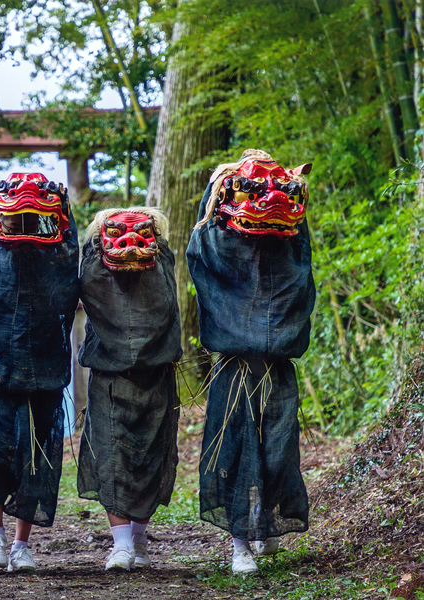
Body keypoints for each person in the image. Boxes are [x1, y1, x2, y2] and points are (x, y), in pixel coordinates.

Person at [186, 149, 316, 574]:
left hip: (276, 366)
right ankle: (240, 543)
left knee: (278, 451)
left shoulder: (287, 245)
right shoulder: (220, 240)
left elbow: (301, 268)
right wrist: (217, 191)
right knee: (234, 453)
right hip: (235, 366)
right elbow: (201, 246)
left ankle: (267, 523)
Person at [0, 172, 80, 573]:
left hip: (42, 373)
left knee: (37, 461)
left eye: (33, 219)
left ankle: (21, 543)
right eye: (14, 219)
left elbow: (70, 248)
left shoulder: (57, 265)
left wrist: (65, 209)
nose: (23, 225)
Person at [76, 207, 182, 571]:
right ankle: (121, 544)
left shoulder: (162, 264)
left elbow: (164, 307)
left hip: (156, 376)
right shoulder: (93, 268)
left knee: (151, 457)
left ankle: (138, 539)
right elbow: (93, 286)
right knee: (111, 457)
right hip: (110, 378)